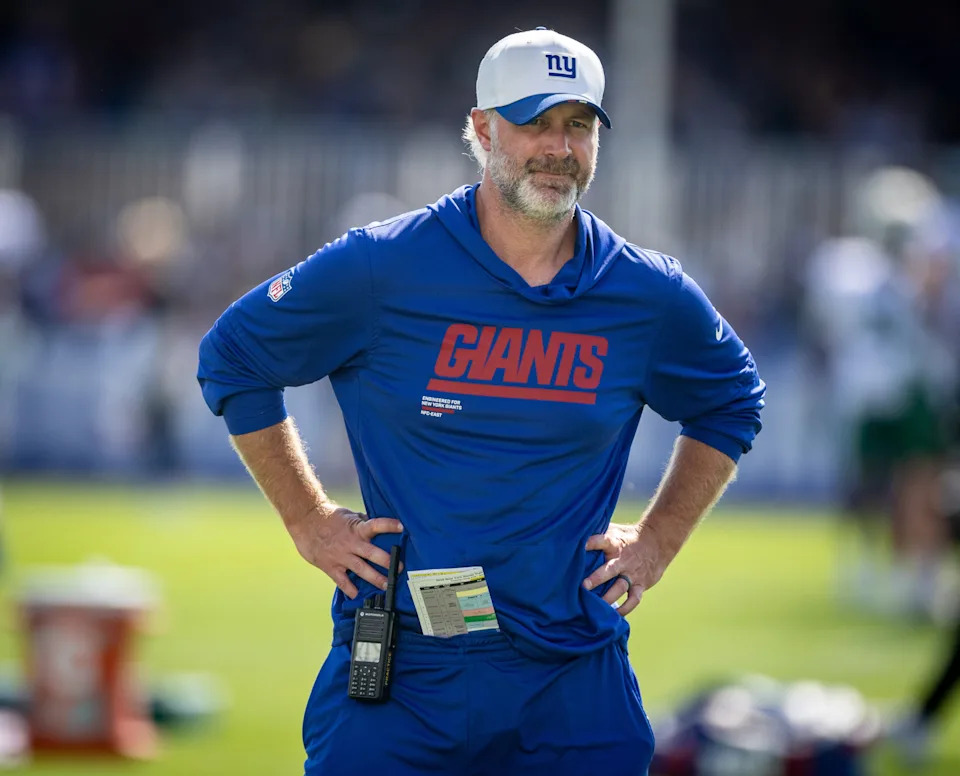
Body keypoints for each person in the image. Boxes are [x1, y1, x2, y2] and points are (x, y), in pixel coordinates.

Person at [197, 27, 765, 776]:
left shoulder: (647, 293)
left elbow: (730, 401)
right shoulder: (383, 266)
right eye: (535, 123)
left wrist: (658, 540)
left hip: (573, 677)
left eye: (579, 125)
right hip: (405, 672)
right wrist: (307, 518)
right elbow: (234, 357)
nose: (559, 148)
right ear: (481, 128)